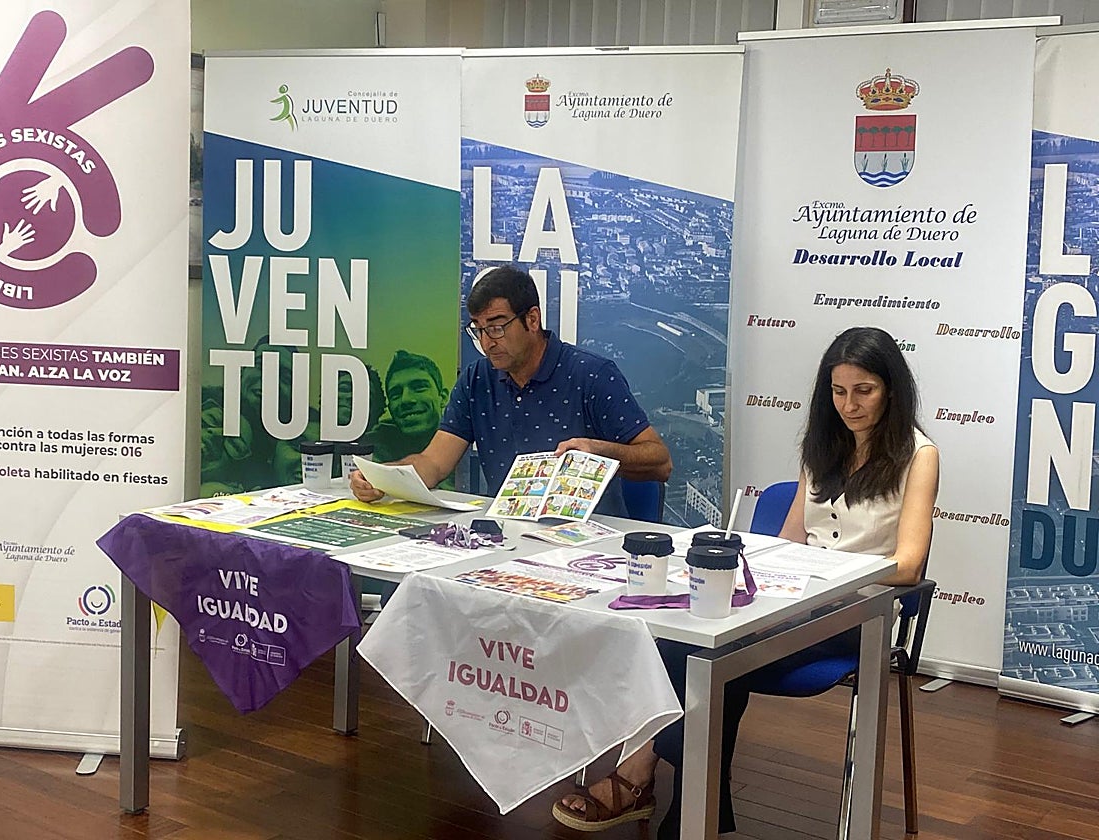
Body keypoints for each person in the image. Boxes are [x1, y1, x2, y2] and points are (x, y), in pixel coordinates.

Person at [553, 326, 939, 837]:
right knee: (684, 642)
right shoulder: (822, 448)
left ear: (891, 388)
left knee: (711, 658)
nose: (850, 405)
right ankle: (695, 808)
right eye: (839, 391)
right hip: (795, 602)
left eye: (864, 391)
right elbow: (788, 542)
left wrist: (825, 580)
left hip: (857, 614)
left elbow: (910, 565)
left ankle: (646, 781)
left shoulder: (919, 454)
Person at [350, 265, 672, 514]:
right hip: (505, 539)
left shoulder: (591, 375)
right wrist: (381, 478)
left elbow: (660, 462)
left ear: (532, 319)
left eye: (497, 327)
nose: (488, 342)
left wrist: (601, 451)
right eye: (479, 330)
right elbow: (433, 464)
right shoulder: (478, 379)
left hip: (586, 545)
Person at [372, 350, 450, 463]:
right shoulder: (375, 443)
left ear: (442, 397)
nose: (406, 399)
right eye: (396, 394)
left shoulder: (467, 443)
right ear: (390, 408)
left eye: (419, 387)